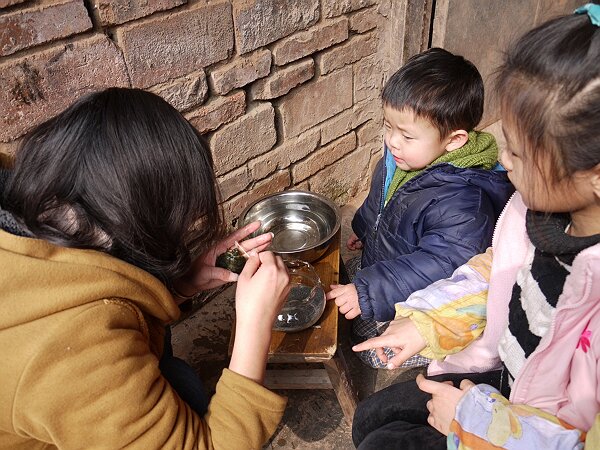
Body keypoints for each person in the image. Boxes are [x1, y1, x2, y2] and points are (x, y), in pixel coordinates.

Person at [351, 5, 600, 448]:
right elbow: (494, 273)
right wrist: (425, 324)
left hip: (523, 425)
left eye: (519, 153)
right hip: (500, 369)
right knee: (373, 418)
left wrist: (471, 423)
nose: (503, 160)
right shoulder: (529, 212)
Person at [0, 87, 291, 449]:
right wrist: (255, 323)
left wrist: (179, 284)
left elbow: (96, 286)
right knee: (185, 388)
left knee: (180, 379)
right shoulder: (73, 353)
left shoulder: (29, 207)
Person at [326, 48, 514, 368]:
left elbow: (443, 263)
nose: (392, 142)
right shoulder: (406, 158)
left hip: (423, 295)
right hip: (391, 265)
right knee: (356, 312)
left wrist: (369, 291)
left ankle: (436, 356)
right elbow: (382, 196)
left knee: (374, 354)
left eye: (407, 135)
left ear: (453, 141)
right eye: (389, 127)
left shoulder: (464, 201)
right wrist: (365, 227)